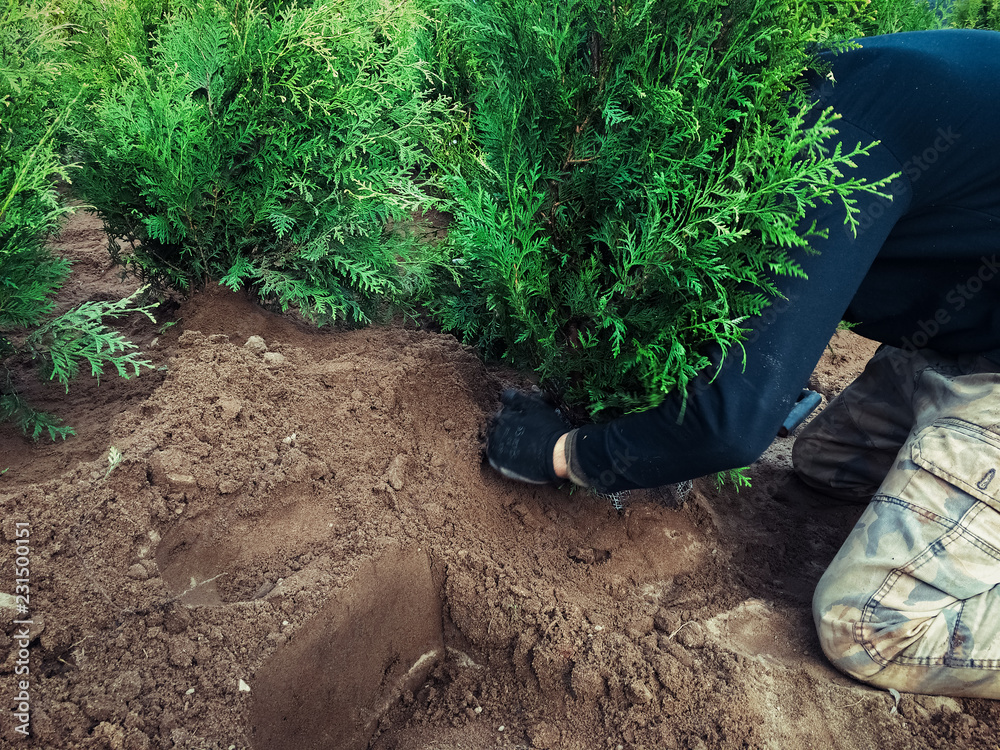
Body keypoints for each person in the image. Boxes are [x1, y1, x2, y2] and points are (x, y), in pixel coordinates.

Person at [486, 28, 1000, 699]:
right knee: (825, 466)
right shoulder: (792, 92)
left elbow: (731, 427)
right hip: (964, 326)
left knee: (867, 627)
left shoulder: (827, 148)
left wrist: (565, 453)